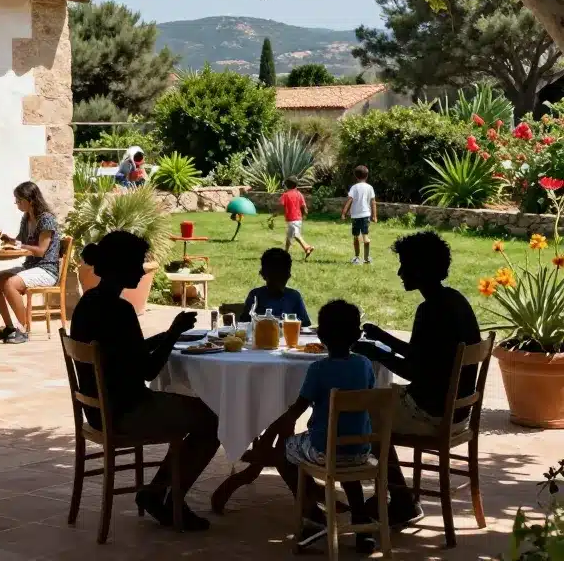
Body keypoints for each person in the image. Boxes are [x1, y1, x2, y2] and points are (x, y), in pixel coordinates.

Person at [70, 231, 219, 531]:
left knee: (200, 415)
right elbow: (148, 370)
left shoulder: (89, 303)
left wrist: (163, 337)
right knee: (212, 421)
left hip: (99, 409)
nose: (142, 270)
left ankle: (158, 491)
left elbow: (121, 351)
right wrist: (175, 332)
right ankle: (166, 496)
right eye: (137, 263)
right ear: (120, 266)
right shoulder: (119, 310)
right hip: (126, 411)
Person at [355, 231, 481, 528]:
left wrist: (376, 352)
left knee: (359, 412)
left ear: (421, 269)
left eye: (404, 266)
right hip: (457, 413)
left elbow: (413, 370)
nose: (399, 272)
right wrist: (383, 338)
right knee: (375, 403)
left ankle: (400, 501)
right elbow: (426, 356)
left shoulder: (430, 310)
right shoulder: (453, 301)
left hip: (430, 413)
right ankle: (399, 497)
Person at [236, 300, 377, 552]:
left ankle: (313, 514)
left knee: (285, 455)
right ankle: (360, 521)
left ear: (320, 335)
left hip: (323, 448)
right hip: (360, 449)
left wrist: (269, 434)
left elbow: (295, 412)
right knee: (342, 455)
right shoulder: (365, 365)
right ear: (357, 335)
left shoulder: (318, 369)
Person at [0, 182, 61, 345]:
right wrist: (10, 240)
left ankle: (24, 329)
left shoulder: (46, 219)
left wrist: (19, 245)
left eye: (19, 200)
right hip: (30, 267)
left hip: (46, 269)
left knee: (10, 284)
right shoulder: (26, 217)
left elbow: (41, 251)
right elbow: (21, 241)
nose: (17, 204)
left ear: (30, 200)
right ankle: (10, 327)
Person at [240, 248, 312, 326]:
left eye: (281, 278)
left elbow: (305, 326)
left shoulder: (294, 297)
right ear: (264, 275)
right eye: (273, 278)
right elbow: (244, 325)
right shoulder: (255, 296)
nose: (277, 284)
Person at [341, 165, 377, 265]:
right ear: (367, 176)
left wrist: (344, 213)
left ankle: (357, 258)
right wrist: (374, 216)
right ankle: (366, 258)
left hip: (356, 216)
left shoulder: (354, 187)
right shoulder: (370, 187)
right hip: (366, 215)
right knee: (365, 235)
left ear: (356, 176)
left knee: (356, 237)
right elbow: (373, 202)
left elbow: (350, 200)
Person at [279, 177, 315, 260]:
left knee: (296, 235)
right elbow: (304, 206)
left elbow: (281, 206)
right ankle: (285, 253)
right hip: (298, 218)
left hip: (291, 219)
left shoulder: (285, 195)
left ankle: (307, 247)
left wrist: (276, 214)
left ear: (287, 186)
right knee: (289, 237)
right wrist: (305, 213)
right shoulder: (299, 194)